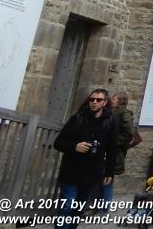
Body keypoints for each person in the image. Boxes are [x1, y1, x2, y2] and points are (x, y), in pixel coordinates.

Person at [53, 87, 117, 220]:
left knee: (78, 211)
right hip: (72, 170)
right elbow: (58, 143)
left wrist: (109, 172)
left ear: (105, 102)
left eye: (98, 100)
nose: (94, 102)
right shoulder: (77, 119)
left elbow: (112, 149)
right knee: (67, 207)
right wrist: (75, 147)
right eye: (92, 99)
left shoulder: (110, 122)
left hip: (92, 172)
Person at [99, 90, 136, 209]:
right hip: (105, 149)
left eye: (114, 99)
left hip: (113, 151)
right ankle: (98, 205)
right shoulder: (110, 112)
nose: (111, 101)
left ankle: (104, 208)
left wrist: (113, 143)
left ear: (120, 101)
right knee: (100, 177)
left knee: (108, 179)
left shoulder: (124, 113)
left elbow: (128, 133)